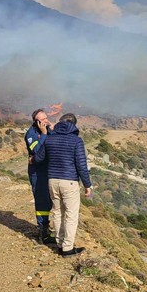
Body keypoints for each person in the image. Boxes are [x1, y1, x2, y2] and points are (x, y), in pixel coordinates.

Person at [34, 113, 92, 257]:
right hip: (69, 181)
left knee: (58, 212)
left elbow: (38, 158)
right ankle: (68, 248)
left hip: (52, 180)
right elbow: (81, 165)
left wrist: (44, 137)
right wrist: (87, 185)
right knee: (71, 215)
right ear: (74, 125)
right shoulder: (76, 141)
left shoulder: (50, 139)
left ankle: (60, 244)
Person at [24, 108, 55, 244]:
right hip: (38, 173)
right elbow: (36, 151)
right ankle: (43, 231)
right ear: (37, 122)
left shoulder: (49, 130)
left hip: (49, 170)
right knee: (42, 201)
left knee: (49, 201)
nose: (46, 121)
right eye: (43, 120)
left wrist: (51, 131)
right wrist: (43, 134)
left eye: (46, 118)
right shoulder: (31, 134)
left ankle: (47, 227)